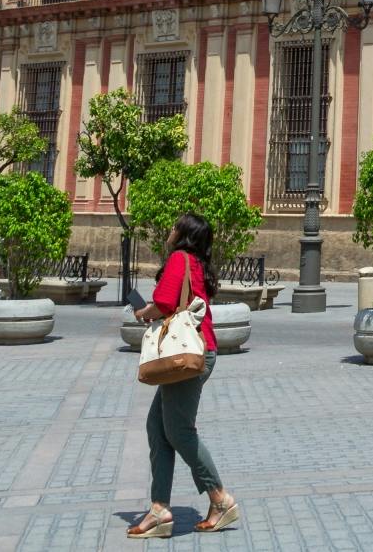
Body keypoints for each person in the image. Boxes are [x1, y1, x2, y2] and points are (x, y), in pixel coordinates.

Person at [129, 212, 240, 538]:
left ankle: (220, 499)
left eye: (174, 225)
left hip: (190, 356)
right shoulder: (197, 263)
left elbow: (164, 302)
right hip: (199, 352)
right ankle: (160, 509)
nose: (170, 229)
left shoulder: (180, 257)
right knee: (157, 427)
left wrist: (142, 312)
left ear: (183, 235)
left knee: (178, 430)